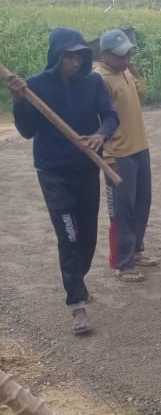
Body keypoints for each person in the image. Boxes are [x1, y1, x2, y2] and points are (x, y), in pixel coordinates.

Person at [5, 28, 119, 335]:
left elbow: (110, 116)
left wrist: (100, 135)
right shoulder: (35, 86)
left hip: (86, 170)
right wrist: (18, 101)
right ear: (56, 55)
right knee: (68, 237)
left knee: (87, 237)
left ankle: (76, 279)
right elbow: (28, 131)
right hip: (53, 173)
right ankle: (77, 304)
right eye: (69, 55)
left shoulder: (93, 82)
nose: (75, 61)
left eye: (79, 55)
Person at [95, 29, 156, 283]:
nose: (126, 59)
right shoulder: (98, 78)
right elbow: (97, 119)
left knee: (142, 203)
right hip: (117, 154)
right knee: (122, 210)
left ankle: (137, 250)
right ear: (105, 54)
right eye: (120, 55)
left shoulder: (125, 70)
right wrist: (106, 157)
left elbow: (143, 94)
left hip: (139, 148)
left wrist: (132, 67)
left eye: (128, 53)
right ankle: (123, 263)